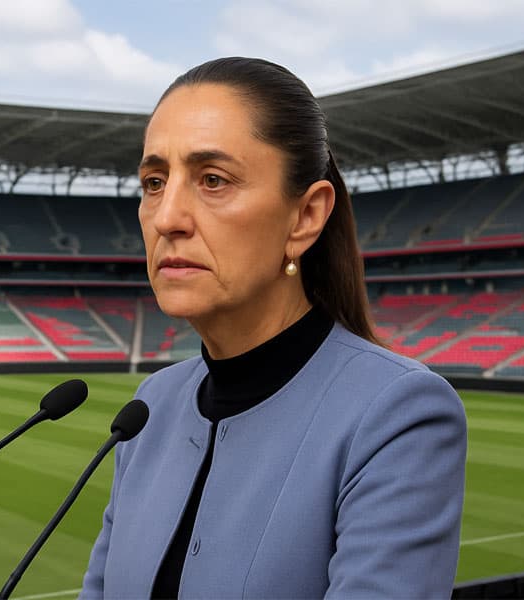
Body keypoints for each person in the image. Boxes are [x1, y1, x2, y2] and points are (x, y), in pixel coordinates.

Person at [79, 57, 467, 599]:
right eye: (154, 182)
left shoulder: (396, 415)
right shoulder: (150, 408)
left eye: (213, 180)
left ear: (306, 216)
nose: (166, 218)